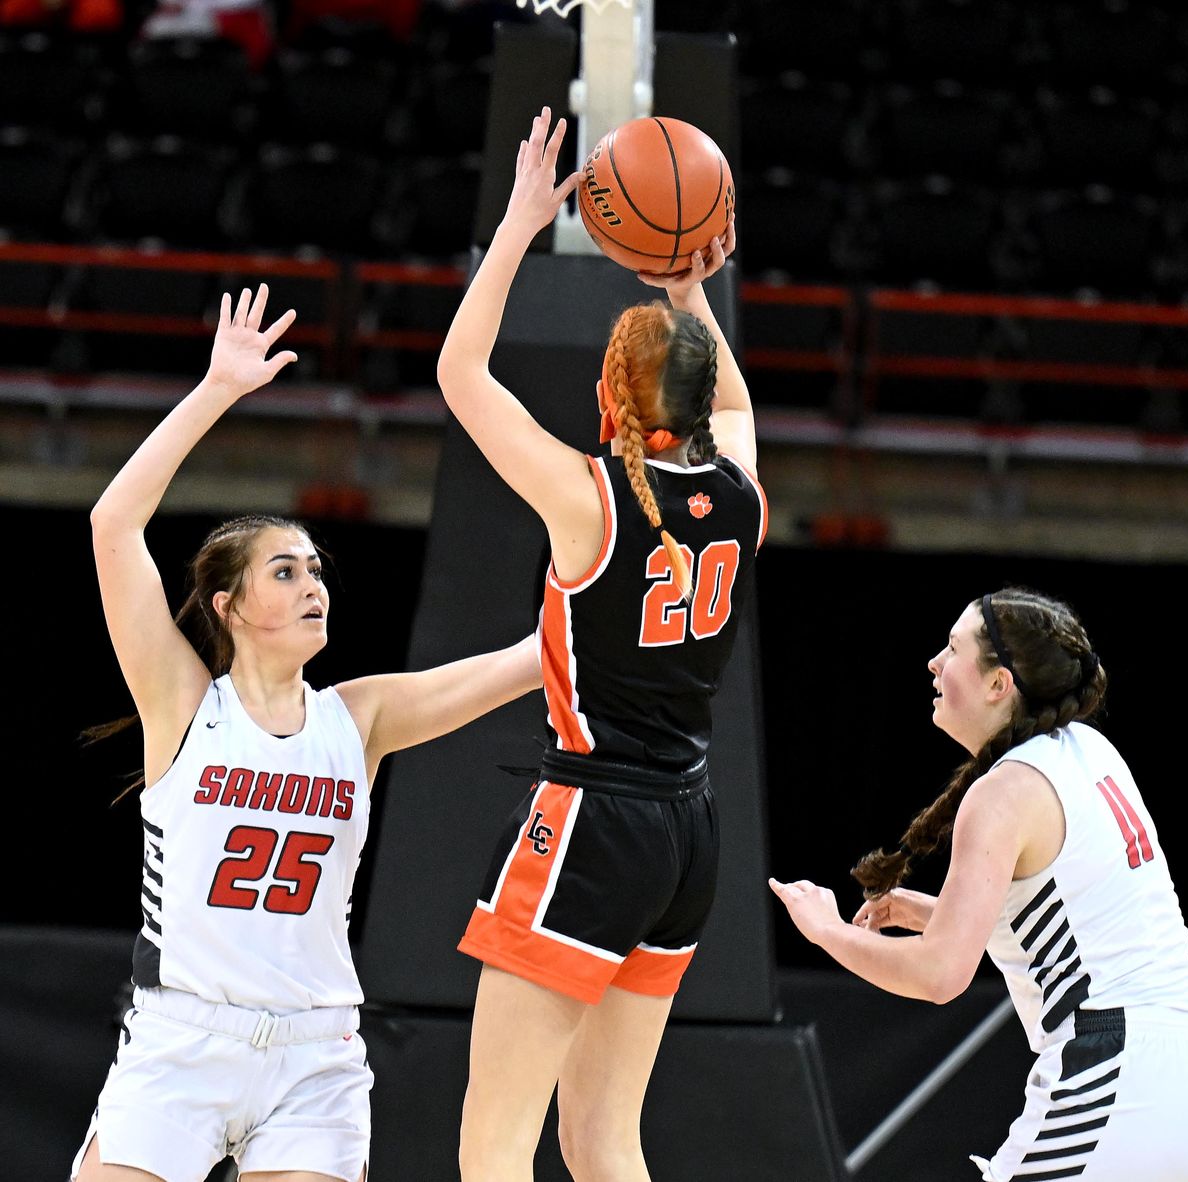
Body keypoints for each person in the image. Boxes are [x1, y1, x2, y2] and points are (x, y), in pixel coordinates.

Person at [74, 283, 543, 1182]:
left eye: (316, 570)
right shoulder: (184, 704)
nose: (311, 585)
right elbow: (112, 524)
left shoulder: (356, 717)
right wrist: (216, 390)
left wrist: (612, 586)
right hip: (182, 1038)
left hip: (313, 1055)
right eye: (284, 572)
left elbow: (523, 662)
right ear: (230, 606)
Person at [436, 108, 766, 1182]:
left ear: (608, 400)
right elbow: (733, 397)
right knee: (604, 1140)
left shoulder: (591, 502)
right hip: (688, 835)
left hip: (590, 819)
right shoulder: (743, 497)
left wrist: (519, 227)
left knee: (496, 1142)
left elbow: (460, 376)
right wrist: (686, 286)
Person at [770, 587, 1188, 1182]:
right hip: (1182, 1060)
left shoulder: (1003, 790)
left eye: (952, 648)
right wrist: (930, 912)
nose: (934, 663)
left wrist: (824, 932)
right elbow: (1077, 923)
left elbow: (939, 975)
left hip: (1115, 1067)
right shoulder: (1089, 749)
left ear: (1000, 685)